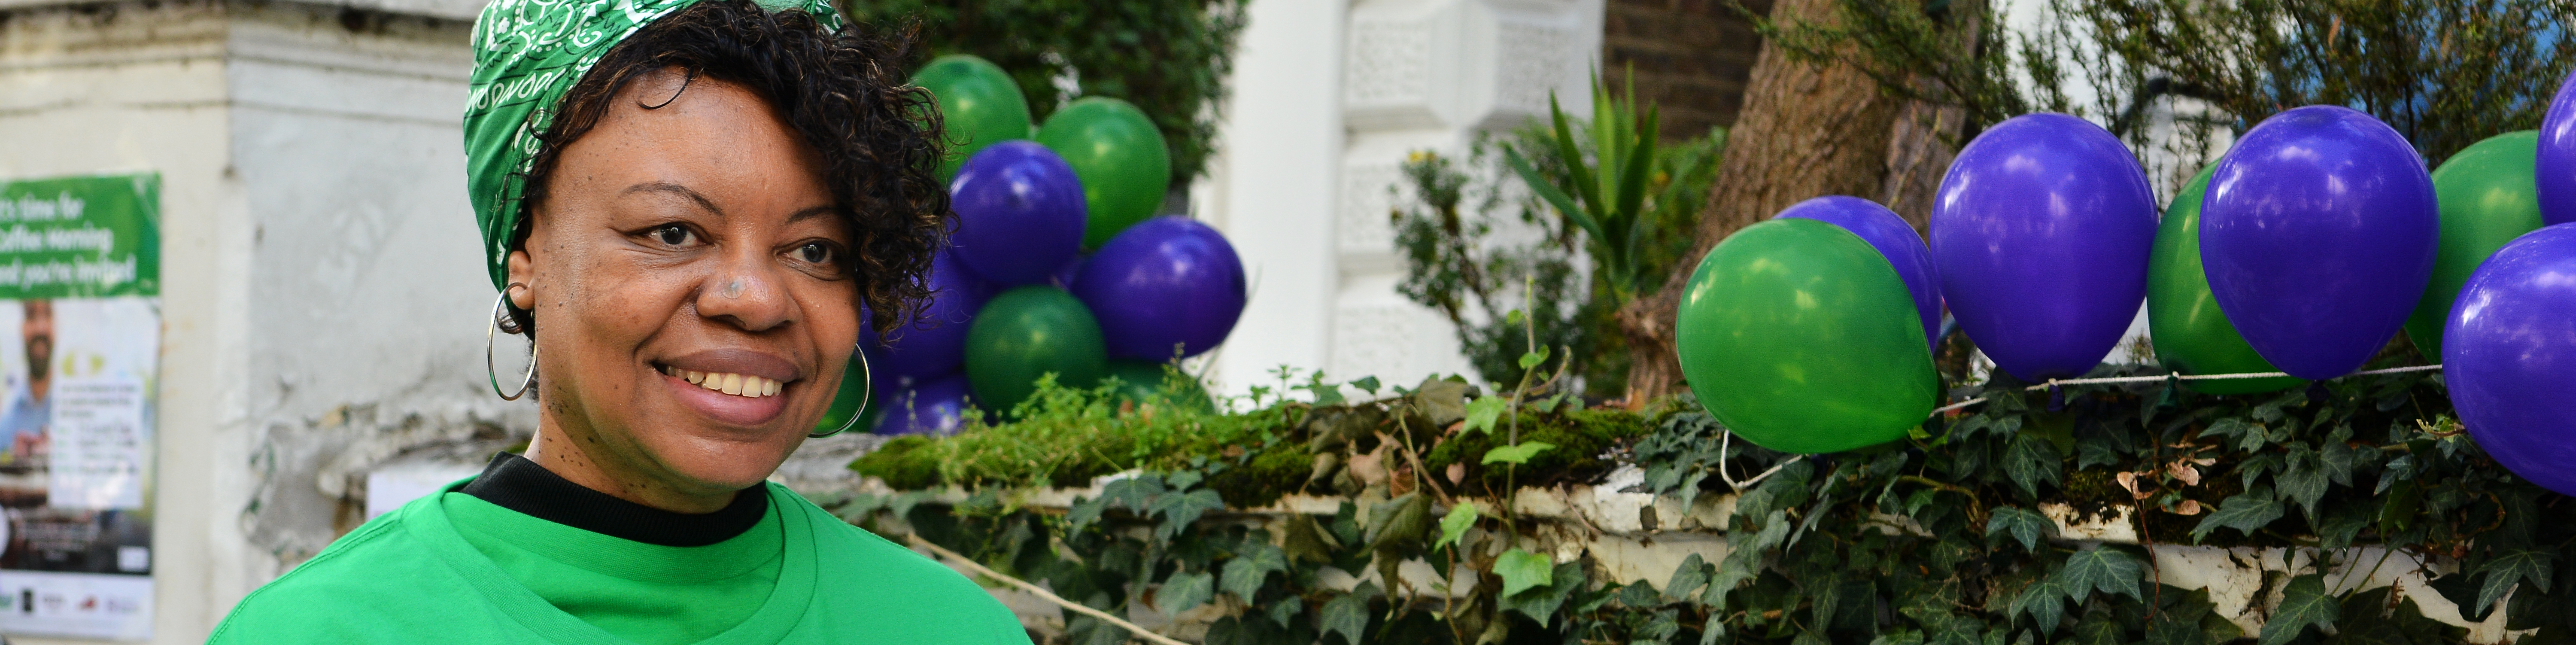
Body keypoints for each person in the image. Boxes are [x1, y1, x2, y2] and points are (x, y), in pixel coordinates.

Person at [207, 0, 1028, 642]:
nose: (758, 298)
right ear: (524, 254)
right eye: (672, 232)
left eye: (816, 249)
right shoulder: (322, 630)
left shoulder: (951, 629)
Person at [3, 299, 51, 464]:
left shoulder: (78, 406)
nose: (40, 328)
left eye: (47, 314)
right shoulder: (6, 417)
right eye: (31, 316)